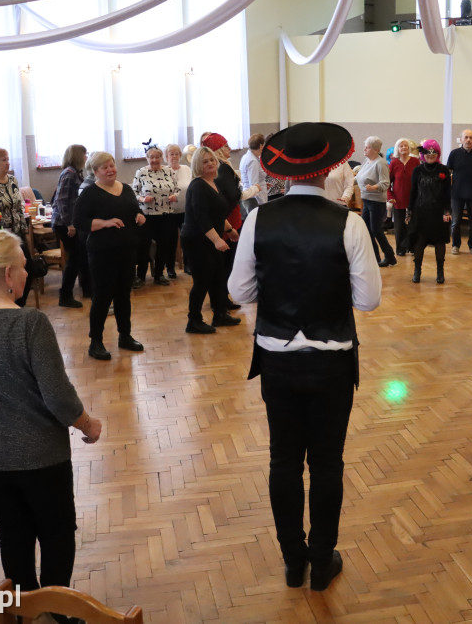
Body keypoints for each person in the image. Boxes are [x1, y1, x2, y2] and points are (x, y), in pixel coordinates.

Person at [228, 122, 382, 592]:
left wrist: (276, 291)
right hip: (331, 358)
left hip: (276, 356)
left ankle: (293, 561)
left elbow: (239, 291)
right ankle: (321, 560)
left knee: (284, 461)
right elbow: (368, 300)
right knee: (327, 463)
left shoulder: (258, 220)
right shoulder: (349, 223)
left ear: (285, 170)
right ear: (329, 168)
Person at [0, 222, 102, 594]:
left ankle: (24, 607)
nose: (28, 273)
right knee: (56, 531)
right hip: (39, 455)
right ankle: (56, 609)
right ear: (9, 274)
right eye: (24, 266)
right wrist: (87, 424)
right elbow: (57, 396)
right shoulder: (29, 323)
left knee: (13, 530)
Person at [72, 151, 146, 361]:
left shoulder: (126, 189)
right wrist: (105, 223)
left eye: (112, 165)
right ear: (95, 172)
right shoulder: (89, 193)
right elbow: (79, 222)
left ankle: (125, 335)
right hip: (102, 252)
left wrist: (140, 216)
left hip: (127, 250)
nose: (110, 170)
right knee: (102, 297)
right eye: (104, 167)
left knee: (124, 295)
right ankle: (95, 341)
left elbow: (135, 211)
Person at [180, 146, 241, 334]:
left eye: (212, 160)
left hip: (210, 236)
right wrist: (216, 240)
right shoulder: (198, 186)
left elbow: (218, 213)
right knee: (202, 280)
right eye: (205, 161)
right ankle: (194, 320)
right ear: (198, 165)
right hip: (197, 240)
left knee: (217, 276)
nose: (210, 164)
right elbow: (202, 218)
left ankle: (220, 314)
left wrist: (229, 229)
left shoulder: (213, 183)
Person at [0, 147, 34, 307]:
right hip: (2, 235)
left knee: (29, 269)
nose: (7, 163)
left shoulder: (13, 180)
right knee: (7, 273)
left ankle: (20, 304)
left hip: (18, 232)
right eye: (3, 160)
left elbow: (19, 207)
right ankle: (10, 305)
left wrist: (25, 231)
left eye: (8, 159)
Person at [203, 133, 243, 307]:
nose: (230, 149)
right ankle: (221, 299)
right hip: (227, 220)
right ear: (218, 149)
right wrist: (246, 191)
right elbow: (233, 195)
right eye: (226, 146)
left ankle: (221, 298)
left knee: (224, 261)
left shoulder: (221, 167)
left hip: (227, 218)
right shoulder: (223, 168)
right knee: (225, 261)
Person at [406, 140, 452, 284]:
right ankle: (417, 271)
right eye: (427, 153)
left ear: (437, 154)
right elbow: (413, 192)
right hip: (420, 212)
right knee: (419, 242)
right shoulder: (417, 170)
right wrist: (409, 211)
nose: (430, 155)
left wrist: (447, 211)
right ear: (423, 155)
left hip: (438, 212)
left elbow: (447, 192)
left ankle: (440, 272)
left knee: (439, 241)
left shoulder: (444, 170)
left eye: (434, 153)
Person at [133, 146, 179, 287]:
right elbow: (134, 193)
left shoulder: (169, 171)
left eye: (157, 157)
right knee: (144, 246)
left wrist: (174, 196)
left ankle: (159, 274)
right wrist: (142, 199)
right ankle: (141, 276)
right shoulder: (141, 172)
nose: (154, 160)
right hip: (147, 216)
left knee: (163, 246)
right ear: (147, 159)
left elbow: (177, 189)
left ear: (161, 158)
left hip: (166, 215)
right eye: (151, 157)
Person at [51, 144, 89, 308]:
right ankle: (65, 296)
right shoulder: (69, 174)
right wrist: (70, 224)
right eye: (84, 154)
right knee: (74, 259)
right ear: (78, 156)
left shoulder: (76, 172)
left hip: (71, 223)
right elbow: (61, 201)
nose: (86, 157)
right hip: (64, 224)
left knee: (80, 257)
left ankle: (87, 289)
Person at [355, 136, 396, 267]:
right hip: (366, 200)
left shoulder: (380, 163)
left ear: (376, 150)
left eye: (367, 147)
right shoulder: (367, 161)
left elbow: (385, 183)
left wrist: (374, 187)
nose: (364, 149)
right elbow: (359, 177)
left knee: (376, 230)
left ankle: (390, 256)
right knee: (367, 229)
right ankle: (375, 257)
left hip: (376, 202)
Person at [387, 138, 417, 256]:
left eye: (406, 145)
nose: (404, 147)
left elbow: (419, 180)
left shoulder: (415, 161)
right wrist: (390, 196)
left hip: (413, 199)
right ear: (397, 149)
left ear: (409, 148)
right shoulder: (394, 163)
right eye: (401, 146)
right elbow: (388, 182)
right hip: (398, 200)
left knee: (413, 225)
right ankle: (400, 248)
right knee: (399, 227)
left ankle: (412, 247)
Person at [166, 143, 191, 279]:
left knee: (186, 238)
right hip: (169, 212)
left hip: (185, 210)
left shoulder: (186, 169)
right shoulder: (164, 171)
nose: (174, 156)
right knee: (170, 240)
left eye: (176, 154)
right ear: (166, 157)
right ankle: (170, 268)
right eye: (171, 154)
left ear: (180, 155)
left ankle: (188, 265)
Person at [240, 133, 269, 216]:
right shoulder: (253, 161)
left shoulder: (248, 157)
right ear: (261, 146)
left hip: (252, 196)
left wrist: (264, 183)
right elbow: (254, 185)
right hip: (254, 199)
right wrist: (262, 203)